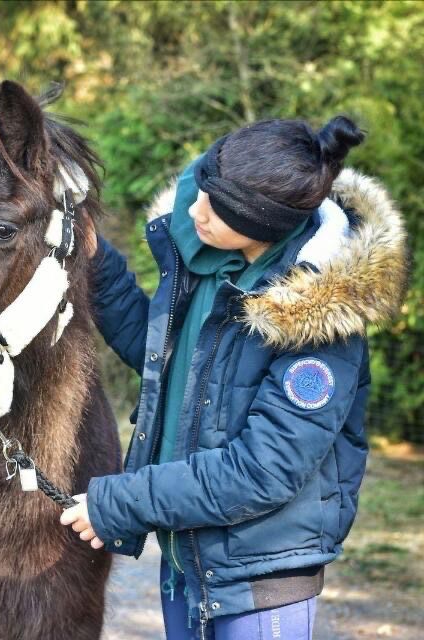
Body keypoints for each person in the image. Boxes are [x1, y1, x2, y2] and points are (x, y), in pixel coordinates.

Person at [59, 116, 408, 639]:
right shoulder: (215, 270)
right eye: (202, 191)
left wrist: (119, 503)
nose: (195, 210)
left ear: (264, 221)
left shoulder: (320, 327)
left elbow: (262, 471)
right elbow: (162, 360)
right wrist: (95, 258)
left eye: (216, 207)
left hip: (258, 585)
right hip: (187, 565)